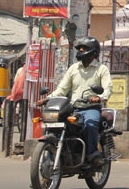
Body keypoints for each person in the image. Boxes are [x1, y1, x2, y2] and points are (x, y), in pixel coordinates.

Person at [43, 37, 112, 165]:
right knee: (53, 126)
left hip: (90, 108)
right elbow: (62, 89)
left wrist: (99, 97)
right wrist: (48, 99)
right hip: (73, 108)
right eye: (79, 48)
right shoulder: (73, 69)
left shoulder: (101, 69)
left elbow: (108, 88)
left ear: (93, 51)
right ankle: (52, 157)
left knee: (90, 125)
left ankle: (92, 154)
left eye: (84, 48)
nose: (80, 50)